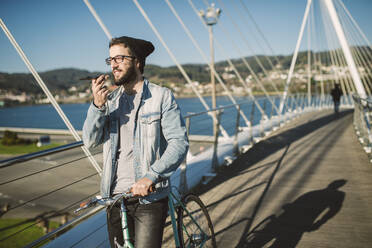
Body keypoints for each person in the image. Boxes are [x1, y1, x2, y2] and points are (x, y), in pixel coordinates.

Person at [82, 36, 189, 248]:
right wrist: (97, 105)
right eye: (110, 59)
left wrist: (151, 176)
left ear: (137, 61)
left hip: (148, 197)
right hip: (113, 197)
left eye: (120, 58)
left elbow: (179, 143)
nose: (113, 64)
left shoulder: (161, 96)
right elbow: (90, 141)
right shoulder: (110, 100)